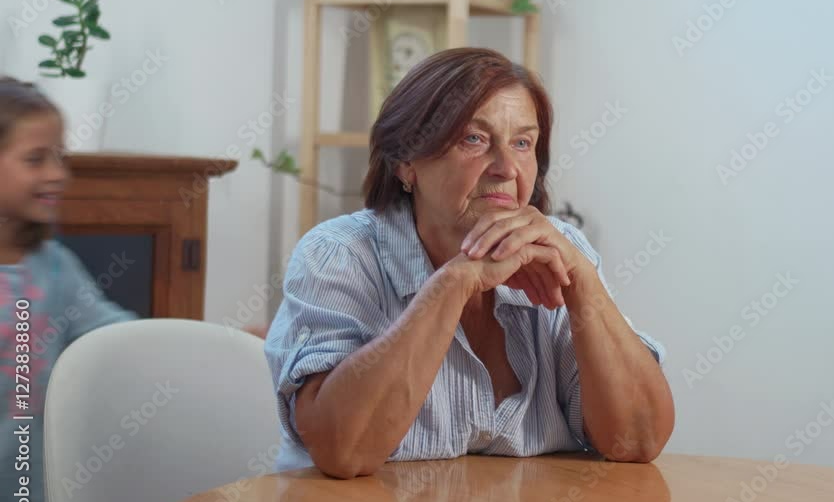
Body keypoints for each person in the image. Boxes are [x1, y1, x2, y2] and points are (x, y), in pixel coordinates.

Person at [265, 48, 675, 479]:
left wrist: (583, 285)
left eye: (522, 143)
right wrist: (451, 285)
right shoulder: (339, 254)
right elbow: (343, 451)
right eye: (473, 139)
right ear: (407, 162)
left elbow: (637, 440)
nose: (506, 168)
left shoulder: (562, 250)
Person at [0, 77, 136, 502]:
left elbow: (115, 334)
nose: (57, 173)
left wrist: (208, 341)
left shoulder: (55, 268)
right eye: (36, 159)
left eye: (60, 156)